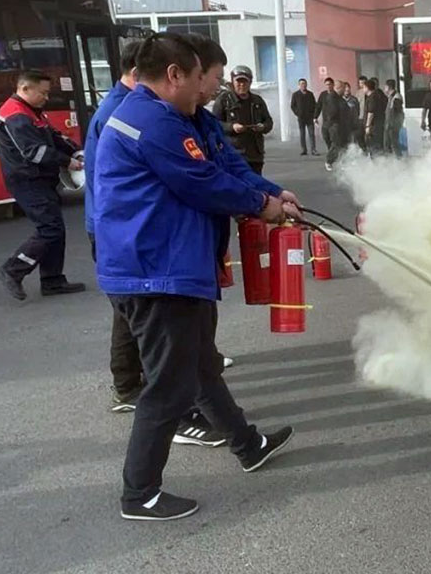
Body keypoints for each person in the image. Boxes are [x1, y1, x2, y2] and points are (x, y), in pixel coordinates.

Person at [94, 32, 294, 521]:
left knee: (202, 365)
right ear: (176, 74)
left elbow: (225, 165)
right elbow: (201, 181)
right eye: (207, 77)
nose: (212, 88)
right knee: (169, 387)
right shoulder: (150, 120)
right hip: (155, 272)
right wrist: (261, 205)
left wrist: (272, 194)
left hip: (172, 265)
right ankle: (139, 493)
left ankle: (247, 444)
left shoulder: (177, 116)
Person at [83, 40, 144, 411]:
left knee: (131, 308)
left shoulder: (124, 105)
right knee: (129, 309)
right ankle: (127, 385)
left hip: (113, 223)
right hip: (114, 226)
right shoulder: (120, 113)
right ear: (138, 73)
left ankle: (134, 381)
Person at [0, 71, 86, 300]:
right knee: (49, 228)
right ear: (25, 89)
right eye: (43, 93)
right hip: (27, 180)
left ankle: (53, 280)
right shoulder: (16, 115)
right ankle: (13, 268)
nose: (46, 97)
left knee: (55, 228)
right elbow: (34, 151)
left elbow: (54, 137)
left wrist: (76, 151)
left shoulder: (30, 111)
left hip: (39, 178)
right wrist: (68, 161)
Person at [212, 64, 273, 173]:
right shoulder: (224, 100)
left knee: (255, 183)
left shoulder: (257, 101)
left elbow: (269, 122)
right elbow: (213, 123)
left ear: (250, 82)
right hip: (233, 155)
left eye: (245, 82)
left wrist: (263, 127)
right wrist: (232, 127)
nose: (242, 85)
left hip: (255, 156)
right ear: (232, 82)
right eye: (238, 81)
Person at [317, 77, 343, 172]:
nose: (328, 86)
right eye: (326, 85)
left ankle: (330, 160)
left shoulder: (337, 97)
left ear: (333, 85)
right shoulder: (323, 95)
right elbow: (319, 106)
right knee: (329, 142)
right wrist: (315, 117)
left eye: (329, 84)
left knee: (335, 143)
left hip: (334, 124)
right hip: (326, 123)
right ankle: (333, 158)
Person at [290, 77, 318, 156]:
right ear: (299, 85)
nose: (303, 85)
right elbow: (292, 106)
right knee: (302, 134)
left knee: (311, 134)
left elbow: (314, 105)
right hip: (301, 118)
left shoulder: (310, 94)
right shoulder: (295, 94)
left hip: (309, 117)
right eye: (302, 84)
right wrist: (298, 113)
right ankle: (304, 149)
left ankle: (313, 149)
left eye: (305, 84)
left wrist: (314, 115)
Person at [364, 77, 388, 155]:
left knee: (374, 145)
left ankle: (377, 160)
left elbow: (371, 113)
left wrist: (368, 126)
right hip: (378, 124)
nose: (363, 89)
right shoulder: (377, 96)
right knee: (376, 146)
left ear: (367, 88)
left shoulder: (373, 98)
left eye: (364, 87)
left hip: (374, 126)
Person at [383, 78, 405, 156]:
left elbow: (397, 113)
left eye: (385, 87)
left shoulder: (396, 97)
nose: (384, 89)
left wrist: (392, 124)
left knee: (393, 144)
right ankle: (391, 159)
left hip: (392, 125)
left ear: (388, 87)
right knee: (388, 144)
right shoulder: (390, 97)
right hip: (389, 124)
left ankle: (398, 159)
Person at [354, 75, 370, 151]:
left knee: (368, 136)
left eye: (363, 83)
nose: (362, 85)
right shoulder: (358, 93)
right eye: (360, 83)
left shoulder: (370, 92)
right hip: (360, 117)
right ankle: (364, 149)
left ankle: (369, 150)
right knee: (359, 135)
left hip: (369, 117)